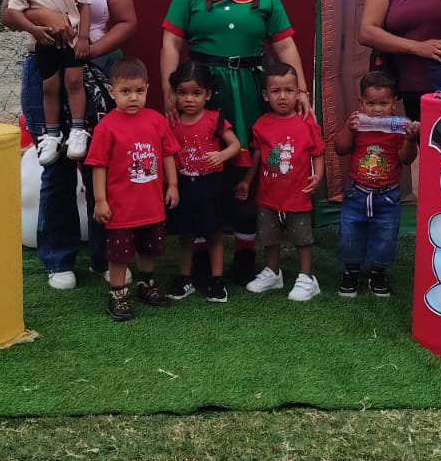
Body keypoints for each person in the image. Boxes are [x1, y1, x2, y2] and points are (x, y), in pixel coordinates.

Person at [159, 0, 311, 281]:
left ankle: (245, 250)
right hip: (200, 90)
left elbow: (286, 47)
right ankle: (198, 250)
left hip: (249, 91)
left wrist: (301, 89)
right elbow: (171, 44)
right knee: (197, 165)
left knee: (249, 167)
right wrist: (169, 90)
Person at [2, 0, 137, 290]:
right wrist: (47, 17)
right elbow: (8, 13)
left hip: (93, 68)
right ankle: (58, 259)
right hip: (44, 66)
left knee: (100, 163)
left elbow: (127, 21)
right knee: (55, 162)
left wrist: (88, 50)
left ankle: (103, 257)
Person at [85, 58, 180, 323]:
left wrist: (172, 185)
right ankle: (117, 294)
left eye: (139, 90)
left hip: (151, 206)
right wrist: (100, 200)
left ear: (147, 88)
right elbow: (98, 165)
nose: (133, 97)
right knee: (119, 255)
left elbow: (168, 154)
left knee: (148, 249)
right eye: (125, 91)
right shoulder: (106, 127)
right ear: (112, 91)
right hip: (121, 209)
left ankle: (146, 285)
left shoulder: (156, 121)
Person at [3, 0, 93, 164]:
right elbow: (13, 11)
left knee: (74, 82)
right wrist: (33, 29)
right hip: (45, 43)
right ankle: (52, 134)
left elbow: (85, 6)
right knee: (50, 87)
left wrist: (84, 37)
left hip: (72, 43)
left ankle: (78, 130)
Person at [236, 62, 325, 301]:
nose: (283, 96)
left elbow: (318, 152)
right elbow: (257, 155)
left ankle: (307, 278)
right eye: (276, 91)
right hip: (268, 195)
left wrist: (318, 176)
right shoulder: (261, 124)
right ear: (266, 95)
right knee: (269, 236)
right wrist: (247, 181)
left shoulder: (307, 122)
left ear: (298, 93)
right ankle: (273, 273)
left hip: (298, 194)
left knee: (302, 238)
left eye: (289, 90)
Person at [331, 71, 419, 299]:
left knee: (385, 235)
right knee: (350, 232)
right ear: (361, 102)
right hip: (356, 193)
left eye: (383, 103)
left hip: (387, 196)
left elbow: (406, 159)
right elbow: (340, 148)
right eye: (371, 104)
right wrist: (348, 129)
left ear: (394, 103)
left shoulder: (398, 128)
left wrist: (410, 140)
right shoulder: (357, 124)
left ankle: (378, 272)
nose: (377, 109)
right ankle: (351, 271)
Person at [165, 59, 240, 303]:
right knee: (186, 236)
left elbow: (235, 145)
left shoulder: (214, 118)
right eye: (182, 93)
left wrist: (221, 155)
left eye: (196, 93)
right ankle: (184, 279)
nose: (189, 99)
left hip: (211, 185)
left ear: (207, 95)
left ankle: (217, 281)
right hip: (185, 186)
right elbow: (167, 153)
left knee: (213, 235)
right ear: (174, 94)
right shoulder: (172, 122)